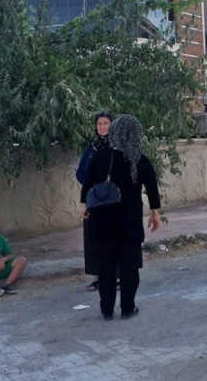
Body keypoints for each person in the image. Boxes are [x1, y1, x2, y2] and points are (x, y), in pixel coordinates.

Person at [80, 115, 161, 320]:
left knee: (106, 267)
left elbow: (87, 182)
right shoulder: (139, 160)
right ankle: (127, 308)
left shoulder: (101, 156)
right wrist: (155, 213)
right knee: (129, 267)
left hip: (103, 222)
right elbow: (152, 186)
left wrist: (85, 206)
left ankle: (106, 310)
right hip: (129, 224)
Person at [75, 112, 114, 292]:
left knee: (114, 238)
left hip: (115, 200)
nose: (102, 127)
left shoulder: (117, 146)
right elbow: (81, 172)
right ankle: (98, 277)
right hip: (95, 199)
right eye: (99, 124)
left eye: (106, 123)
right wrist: (94, 187)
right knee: (94, 237)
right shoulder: (92, 148)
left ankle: (117, 277)